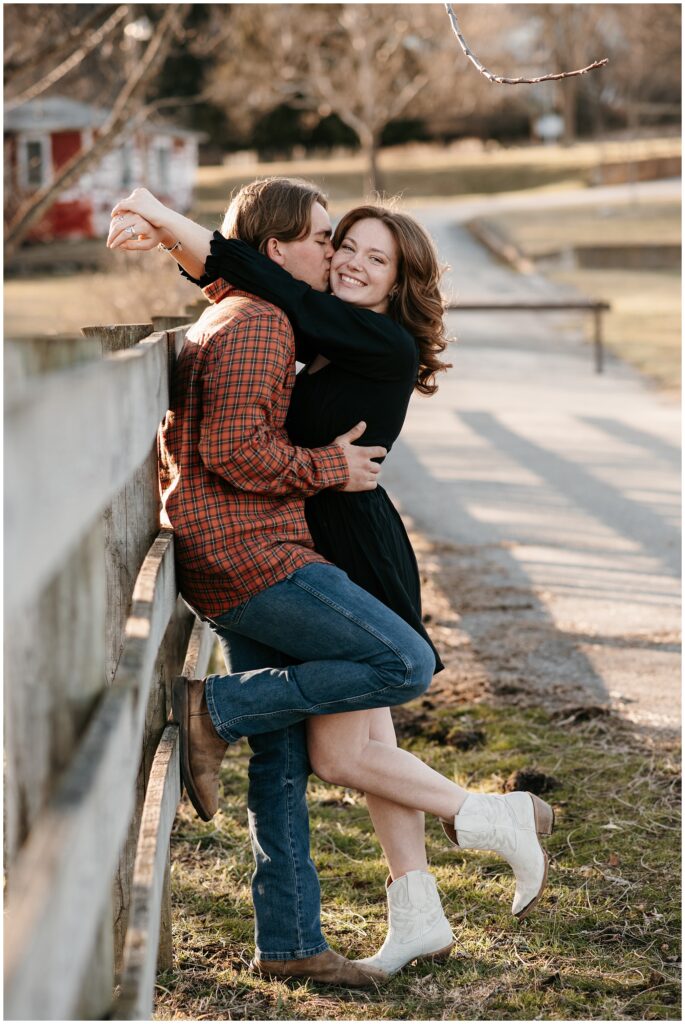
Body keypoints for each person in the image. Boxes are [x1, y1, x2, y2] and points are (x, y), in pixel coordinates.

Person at [108, 180, 555, 980]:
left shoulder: (375, 342)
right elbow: (246, 286)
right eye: (340, 243)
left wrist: (160, 212)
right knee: (350, 748)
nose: (346, 260)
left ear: (399, 282)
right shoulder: (300, 326)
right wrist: (167, 234)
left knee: (353, 746)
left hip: (346, 544)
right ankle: (411, 899)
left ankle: (474, 835)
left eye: (369, 256)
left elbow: (263, 282)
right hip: (291, 535)